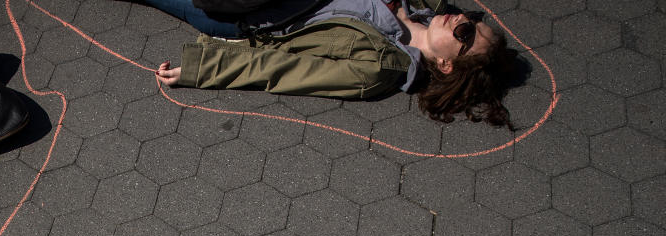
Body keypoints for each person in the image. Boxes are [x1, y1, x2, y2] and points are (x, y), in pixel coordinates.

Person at [143, 0, 518, 127]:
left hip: (249, 11)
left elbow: (286, 70)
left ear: (447, 65)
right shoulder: (419, 4)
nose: (461, 22)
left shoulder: (379, 67)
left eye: (466, 36)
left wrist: (205, 70)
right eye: (471, 19)